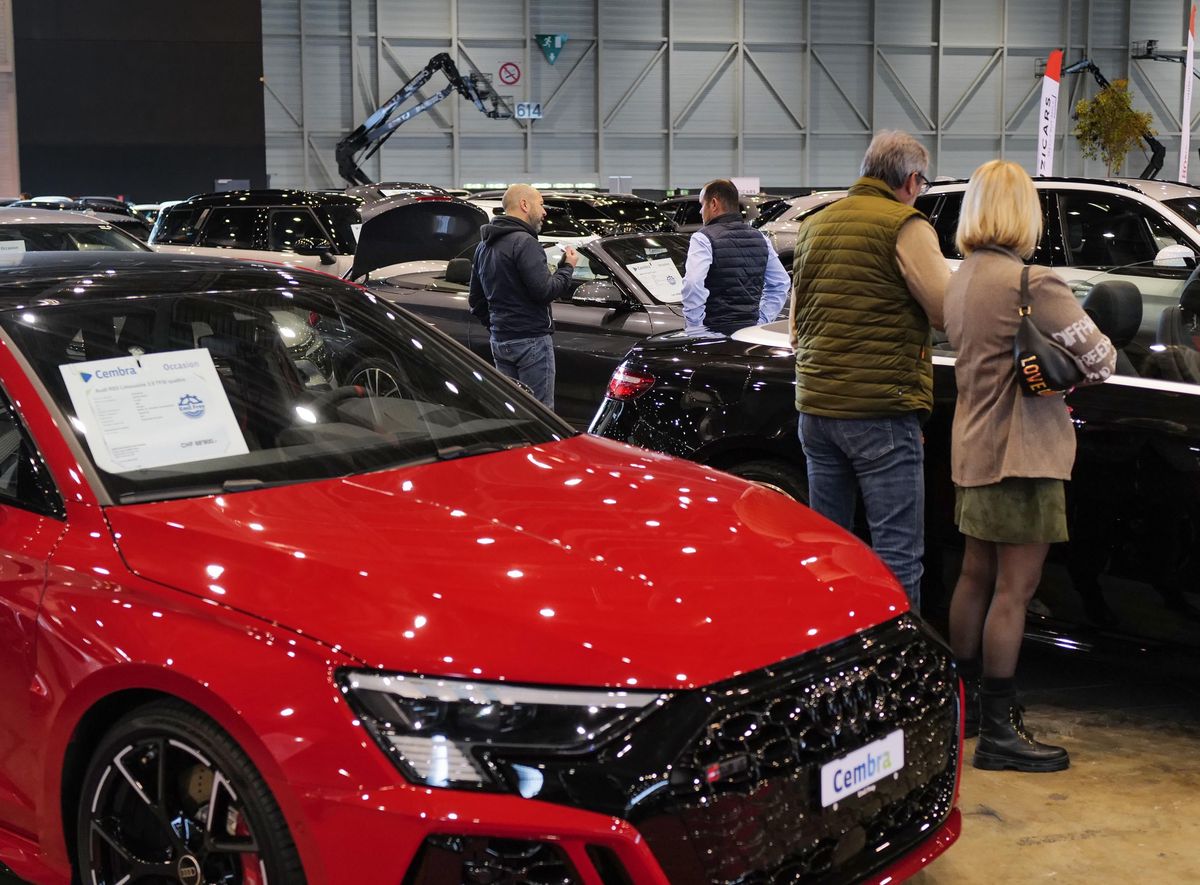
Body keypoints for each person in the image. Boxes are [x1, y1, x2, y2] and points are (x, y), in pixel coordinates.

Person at [946, 159, 1115, 772]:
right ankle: (1000, 731)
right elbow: (1102, 359)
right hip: (1022, 453)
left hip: (972, 447)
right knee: (1014, 592)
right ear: (1024, 212)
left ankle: (965, 710)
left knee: (974, 578)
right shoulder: (1033, 284)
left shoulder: (961, 278)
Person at [788, 131, 950, 606]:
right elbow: (944, 311)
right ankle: (899, 652)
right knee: (897, 556)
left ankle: (834, 643)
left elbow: (796, 326)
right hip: (880, 410)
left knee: (830, 552)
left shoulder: (815, 224)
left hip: (816, 409)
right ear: (912, 180)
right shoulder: (906, 225)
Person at [468, 184, 579, 409]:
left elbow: (476, 300)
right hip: (531, 341)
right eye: (541, 204)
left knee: (513, 411)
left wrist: (499, 326)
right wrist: (567, 268)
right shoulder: (525, 242)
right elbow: (545, 291)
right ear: (525, 205)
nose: (544, 211)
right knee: (540, 414)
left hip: (500, 341)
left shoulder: (483, 247)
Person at [681, 179, 789, 335]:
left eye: (702, 205)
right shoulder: (761, 238)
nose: (700, 211)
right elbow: (781, 283)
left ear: (713, 204)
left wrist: (696, 329)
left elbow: (692, 284)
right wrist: (763, 320)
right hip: (749, 334)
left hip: (713, 334)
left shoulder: (703, 238)